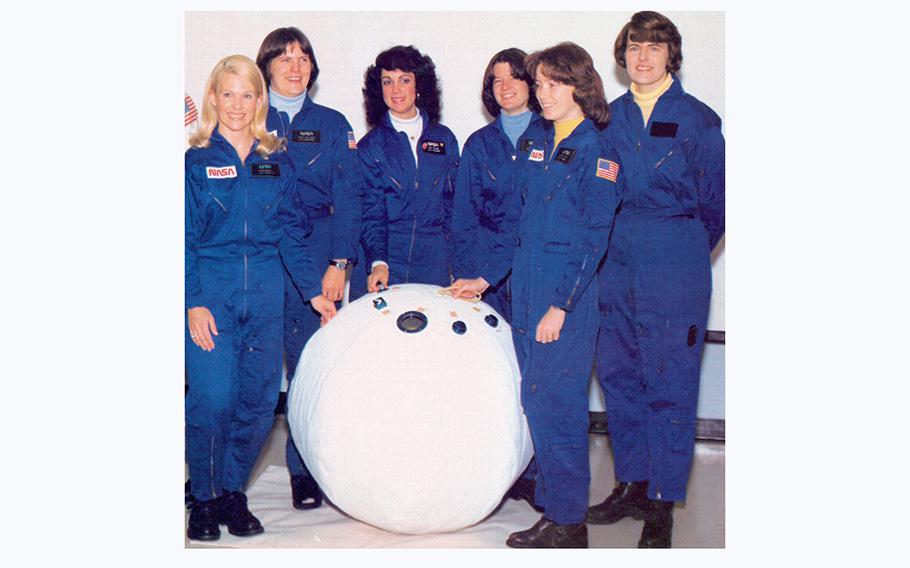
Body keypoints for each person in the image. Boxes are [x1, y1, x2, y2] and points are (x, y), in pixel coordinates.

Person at [184, 54, 336, 541]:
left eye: (246, 94)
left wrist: (313, 292)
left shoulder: (277, 160)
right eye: (227, 93)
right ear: (213, 98)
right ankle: (204, 497)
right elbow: (179, 236)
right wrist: (192, 301)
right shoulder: (196, 160)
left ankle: (232, 491)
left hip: (267, 293)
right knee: (213, 396)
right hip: (213, 290)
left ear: (259, 101)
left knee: (258, 398)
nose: (236, 104)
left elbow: (292, 232)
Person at [588, 11, 725, 548]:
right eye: (634, 48)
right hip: (615, 262)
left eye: (655, 48)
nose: (643, 58)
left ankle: (664, 501)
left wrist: (680, 248)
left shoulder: (698, 119)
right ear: (622, 58)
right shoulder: (607, 119)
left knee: (669, 381)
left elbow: (716, 208)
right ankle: (633, 484)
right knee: (621, 377)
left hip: (674, 260)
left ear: (672, 56)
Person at [503, 42, 624, 548]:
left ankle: (571, 522)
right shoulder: (540, 141)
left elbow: (594, 239)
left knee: (558, 405)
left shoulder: (597, 153)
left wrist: (561, 307)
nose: (542, 93)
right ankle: (556, 510)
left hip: (562, 301)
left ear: (580, 87)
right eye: (540, 83)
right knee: (539, 400)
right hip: (527, 290)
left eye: (554, 84)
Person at [256, 26, 362, 512]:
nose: (295, 67)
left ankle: (303, 471)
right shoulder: (247, 118)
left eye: (303, 58)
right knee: (253, 374)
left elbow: (349, 199)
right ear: (268, 67)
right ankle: (228, 477)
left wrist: (340, 263)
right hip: (259, 257)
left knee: (308, 369)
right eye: (285, 59)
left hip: (319, 254)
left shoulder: (334, 123)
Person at [448, 47, 545, 512]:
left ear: (532, 83)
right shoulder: (478, 143)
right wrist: (469, 277)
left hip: (532, 273)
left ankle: (539, 475)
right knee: (495, 378)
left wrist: (491, 273)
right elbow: (463, 217)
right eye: (496, 80)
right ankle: (500, 472)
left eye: (514, 78)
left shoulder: (553, 135)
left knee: (537, 379)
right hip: (485, 280)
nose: (504, 87)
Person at [350, 45, 459, 299]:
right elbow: (371, 212)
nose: (396, 90)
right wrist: (379, 262)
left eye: (404, 80)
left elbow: (455, 207)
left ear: (419, 85)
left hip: (435, 261)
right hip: (387, 260)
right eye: (387, 81)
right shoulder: (370, 146)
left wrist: (459, 264)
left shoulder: (445, 139)